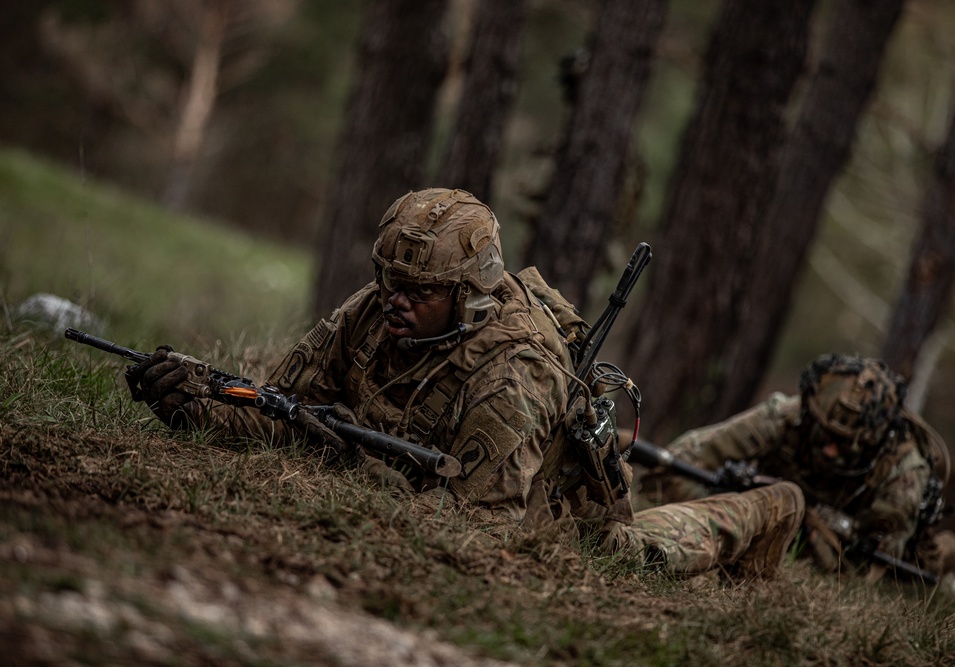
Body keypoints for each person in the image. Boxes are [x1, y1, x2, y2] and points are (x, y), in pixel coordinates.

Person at [133, 187, 804, 581]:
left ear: (467, 296)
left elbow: (480, 531)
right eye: (391, 280)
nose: (393, 299)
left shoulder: (517, 370)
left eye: (418, 290)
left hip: (558, 516)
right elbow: (285, 412)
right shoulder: (380, 306)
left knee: (655, 547)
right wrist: (198, 402)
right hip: (469, 470)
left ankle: (767, 506)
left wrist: (344, 458)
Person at [637, 353, 955, 580]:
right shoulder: (785, 417)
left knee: (925, 565)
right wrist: (732, 510)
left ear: (876, 440)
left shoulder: (903, 469)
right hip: (770, 507)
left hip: (849, 538)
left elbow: (866, 568)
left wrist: (811, 530)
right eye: (825, 433)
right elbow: (677, 462)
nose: (831, 450)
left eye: (848, 444)